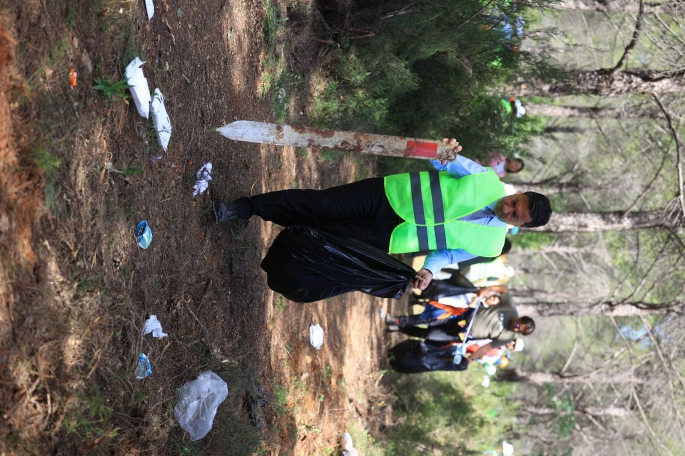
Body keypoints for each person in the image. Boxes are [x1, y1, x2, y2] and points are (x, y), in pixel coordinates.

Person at [214, 139, 552, 290]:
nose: (507, 209)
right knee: (321, 204)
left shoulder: (492, 247)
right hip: (387, 196)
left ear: (521, 226)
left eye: (514, 216)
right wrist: (444, 150)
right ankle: (243, 207)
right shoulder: (486, 178)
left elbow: (446, 253)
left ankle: (267, 213)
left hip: (390, 237)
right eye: (514, 201)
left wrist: (429, 273)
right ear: (517, 191)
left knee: (319, 231)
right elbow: (443, 160)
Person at [386, 293, 534, 360]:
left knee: (430, 335)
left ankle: (399, 328)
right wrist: (487, 291)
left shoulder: (507, 337)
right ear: (520, 318)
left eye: (518, 331)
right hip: (463, 315)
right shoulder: (511, 308)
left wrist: (472, 358)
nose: (515, 328)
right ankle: (396, 321)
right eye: (518, 325)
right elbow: (502, 290)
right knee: (431, 319)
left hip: (463, 334)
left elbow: (487, 347)